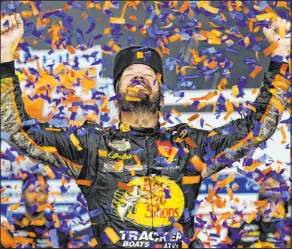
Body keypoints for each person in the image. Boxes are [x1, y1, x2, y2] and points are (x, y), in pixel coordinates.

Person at [0, 13, 290, 248]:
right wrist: (3, 56)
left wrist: (280, 54)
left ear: (160, 95)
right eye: (129, 74)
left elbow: (255, 128)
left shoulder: (189, 146)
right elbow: (19, 132)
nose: (138, 76)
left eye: (147, 75)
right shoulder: (91, 145)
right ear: (116, 93)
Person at [0, 174, 70, 248]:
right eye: (31, 191)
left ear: (47, 194)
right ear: (22, 195)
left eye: (40, 191)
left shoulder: (59, 232)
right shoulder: (10, 230)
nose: (36, 196)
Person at [227, 171, 290, 248]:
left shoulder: (288, 229)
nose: (268, 185)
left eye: (274, 182)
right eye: (264, 183)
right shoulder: (240, 229)